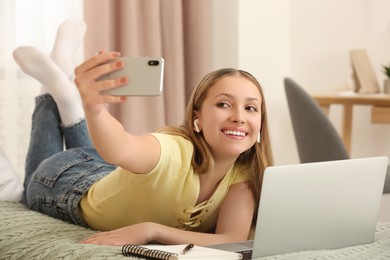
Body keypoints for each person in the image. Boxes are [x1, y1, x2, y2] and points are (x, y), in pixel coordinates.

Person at [13, 19, 273, 247]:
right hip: (64, 182)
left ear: (260, 121)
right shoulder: (172, 150)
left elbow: (231, 239)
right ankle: (57, 90)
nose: (239, 116)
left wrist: (150, 229)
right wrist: (94, 109)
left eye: (251, 108)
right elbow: (121, 148)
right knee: (28, 188)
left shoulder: (245, 170)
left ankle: (63, 84)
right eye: (223, 104)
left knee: (105, 164)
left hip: (106, 171)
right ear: (197, 118)